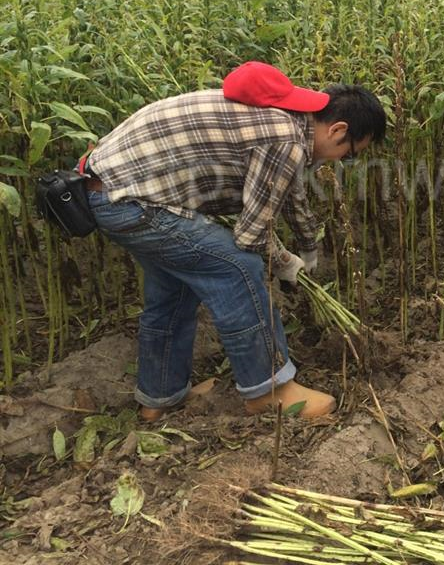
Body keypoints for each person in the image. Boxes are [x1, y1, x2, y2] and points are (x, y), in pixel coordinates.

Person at [81, 62, 386, 421]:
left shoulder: (288, 120)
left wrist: (308, 246)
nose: (344, 161)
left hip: (107, 192)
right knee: (239, 268)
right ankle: (268, 389)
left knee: (174, 288)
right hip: (133, 202)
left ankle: (159, 398)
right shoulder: (285, 140)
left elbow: (290, 192)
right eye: (350, 154)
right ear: (338, 130)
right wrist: (285, 260)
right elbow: (251, 235)